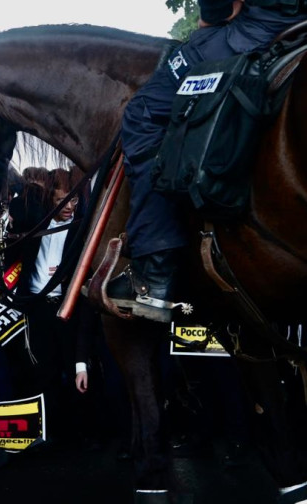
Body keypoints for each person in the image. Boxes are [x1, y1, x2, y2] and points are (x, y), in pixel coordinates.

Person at [104, 0, 307, 322]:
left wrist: (212, 16)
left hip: (260, 27)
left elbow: (220, 8)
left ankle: (153, 275)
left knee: (143, 113)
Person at [7, 167, 106, 447]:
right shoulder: (34, 225)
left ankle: (89, 433)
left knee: (78, 368)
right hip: (38, 308)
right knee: (44, 372)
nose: (69, 206)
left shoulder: (81, 228)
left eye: (74, 200)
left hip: (70, 308)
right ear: (50, 198)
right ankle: (50, 432)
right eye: (63, 200)